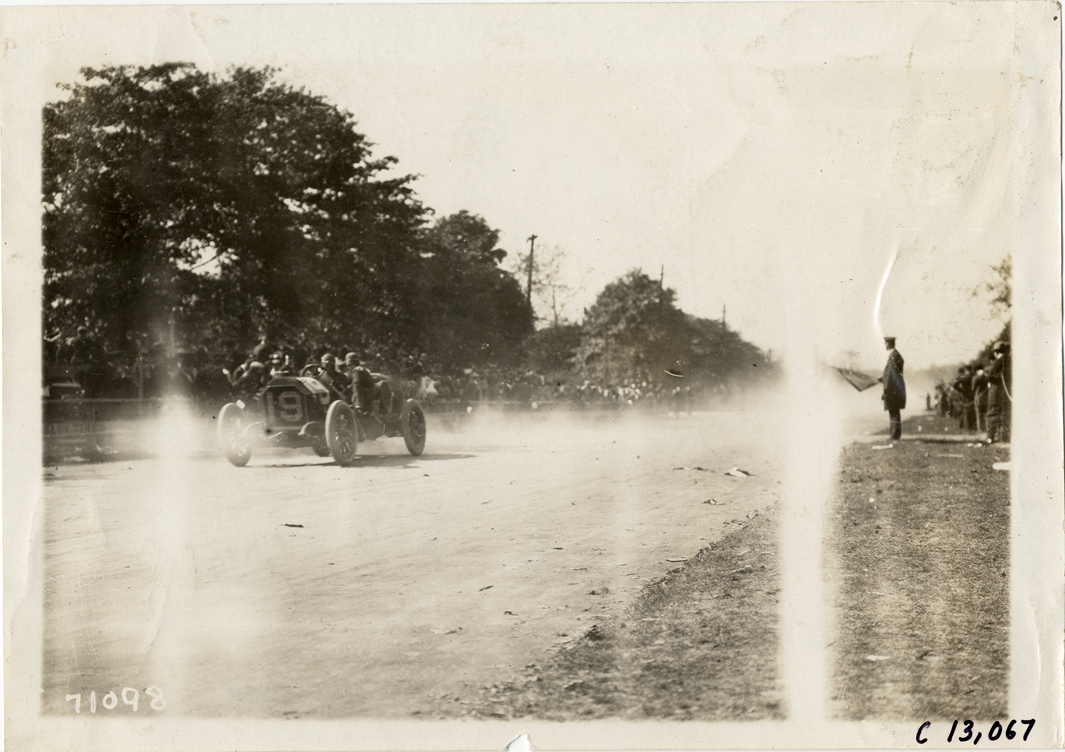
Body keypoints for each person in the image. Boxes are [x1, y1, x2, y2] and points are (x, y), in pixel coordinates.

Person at [880, 336, 906, 440]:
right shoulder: (896, 355)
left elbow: (891, 375)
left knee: (893, 412)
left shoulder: (893, 356)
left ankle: (894, 435)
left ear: (889, 344)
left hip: (892, 390)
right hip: (896, 389)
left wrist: (885, 390)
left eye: (886, 343)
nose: (885, 345)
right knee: (894, 412)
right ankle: (895, 434)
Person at [986, 340, 1011, 443]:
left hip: (996, 392)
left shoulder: (999, 361)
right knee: (1004, 415)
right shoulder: (1008, 360)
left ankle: (990, 437)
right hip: (1005, 393)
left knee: (992, 414)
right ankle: (1003, 437)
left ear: (996, 352)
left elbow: (990, 376)